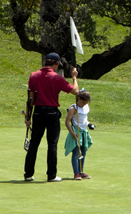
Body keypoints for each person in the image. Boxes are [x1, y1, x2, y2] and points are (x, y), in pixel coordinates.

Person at [24, 53, 79, 182]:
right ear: (55, 63)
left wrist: (27, 116)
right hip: (52, 113)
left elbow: (30, 99)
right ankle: (51, 175)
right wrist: (74, 77)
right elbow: (75, 91)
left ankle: (28, 174)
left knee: (34, 143)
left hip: (38, 112)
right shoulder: (57, 77)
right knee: (52, 144)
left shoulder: (34, 75)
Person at [64, 90, 93, 181]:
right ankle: (76, 173)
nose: (84, 104)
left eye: (86, 102)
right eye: (83, 102)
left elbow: (84, 120)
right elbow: (67, 122)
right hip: (75, 132)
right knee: (76, 153)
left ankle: (81, 171)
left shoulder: (85, 107)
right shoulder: (74, 108)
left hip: (84, 132)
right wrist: (72, 134)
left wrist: (89, 124)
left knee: (83, 153)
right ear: (79, 98)